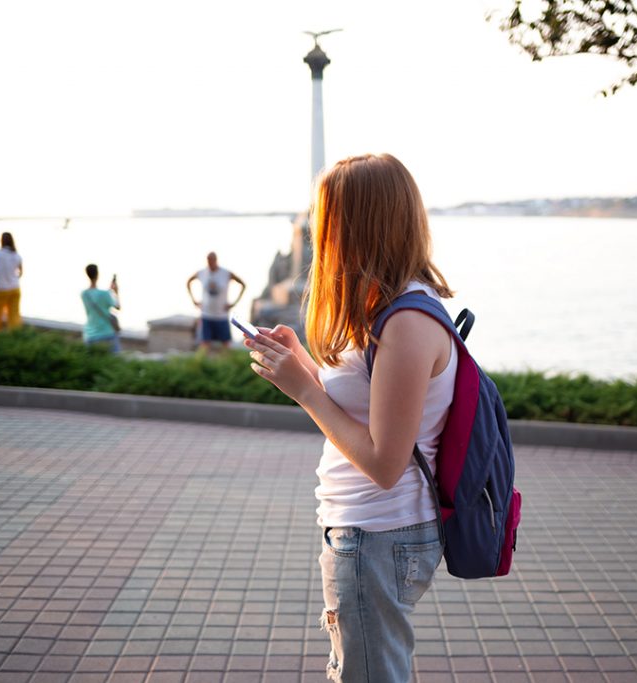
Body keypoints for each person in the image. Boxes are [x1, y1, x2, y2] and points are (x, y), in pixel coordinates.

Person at [245, 154, 457, 682]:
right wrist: (309, 370)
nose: (318, 232)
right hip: (367, 533)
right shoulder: (389, 307)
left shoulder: (405, 322)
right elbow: (370, 406)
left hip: (380, 535)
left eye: (327, 218)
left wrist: (303, 392)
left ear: (359, 222)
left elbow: (385, 463)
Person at [186, 251, 246, 351]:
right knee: (205, 344)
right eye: (208, 261)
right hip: (206, 314)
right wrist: (194, 300)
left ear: (216, 260)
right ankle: (202, 364)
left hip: (221, 315)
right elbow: (189, 281)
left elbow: (243, 284)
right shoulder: (202, 273)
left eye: (212, 260)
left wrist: (234, 303)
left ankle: (227, 364)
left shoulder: (226, 273)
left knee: (226, 344)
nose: (210, 263)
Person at [81, 264, 121, 353]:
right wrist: (116, 292)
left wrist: (109, 291)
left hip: (89, 335)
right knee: (113, 363)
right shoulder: (105, 294)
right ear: (98, 274)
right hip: (107, 333)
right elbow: (117, 307)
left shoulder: (84, 294)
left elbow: (97, 297)